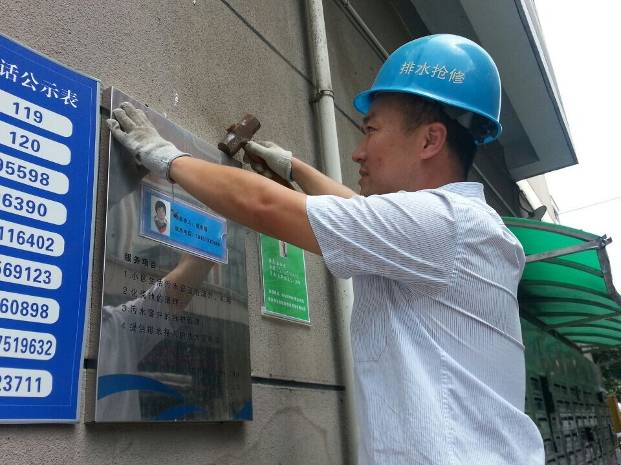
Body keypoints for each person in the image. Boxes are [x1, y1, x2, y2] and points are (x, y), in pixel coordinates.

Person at [107, 34, 544, 464]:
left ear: (430, 140)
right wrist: (294, 169)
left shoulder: (446, 223)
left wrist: (166, 156)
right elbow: (363, 216)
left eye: (371, 130)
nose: (358, 153)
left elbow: (264, 205)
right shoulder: (454, 227)